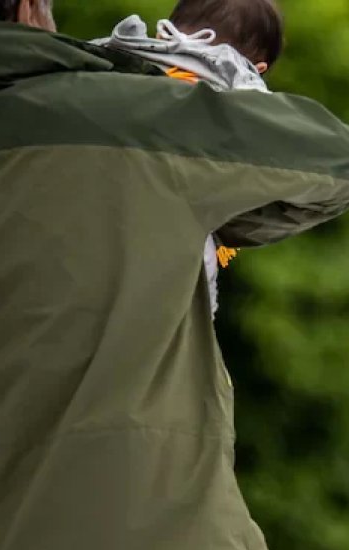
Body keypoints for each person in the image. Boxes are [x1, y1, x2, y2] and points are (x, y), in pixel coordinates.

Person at [0, 1, 349, 550]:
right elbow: (345, 160)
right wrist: (212, 214)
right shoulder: (125, 113)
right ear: (27, 9)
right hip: (138, 533)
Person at [93, 0, 285, 317]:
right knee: (194, 308)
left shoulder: (129, 56)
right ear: (257, 68)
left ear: (163, 32)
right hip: (180, 219)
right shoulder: (240, 91)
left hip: (105, 198)